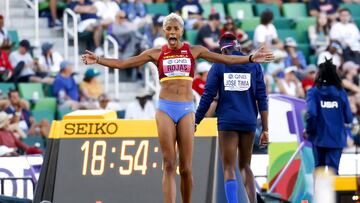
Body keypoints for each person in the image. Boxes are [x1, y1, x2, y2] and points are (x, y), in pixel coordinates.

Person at [81, 13, 274, 203]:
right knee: (169, 164)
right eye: (169, 28)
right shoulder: (156, 53)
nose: (172, 32)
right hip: (165, 108)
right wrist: (98, 59)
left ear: (181, 31)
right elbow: (123, 63)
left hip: (186, 109)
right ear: (164, 31)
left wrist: (250, 59)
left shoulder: (194, 50)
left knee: (186, 168)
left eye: (176, 28)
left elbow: (227, 60)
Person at [194, 33, 269, 203]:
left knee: (229, 167)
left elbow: (207, 96)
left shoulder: (218, 65)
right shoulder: (254, 66)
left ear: (222, 50)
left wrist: (196, 120)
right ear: (238, 46)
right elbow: (262, 98)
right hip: (248, 121)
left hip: (227, 121)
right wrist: (265, 129)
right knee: (245, 167)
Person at [304, 58, 353, 175]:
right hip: (337, 138)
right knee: (334, 171)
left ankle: (318, 194)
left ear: (319, 74)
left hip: (319, 137)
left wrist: (309, 130)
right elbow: (348, 118)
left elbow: (312, 113)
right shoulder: (341, 92)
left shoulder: (313, 92)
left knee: (319, 170)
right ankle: (335, 194)